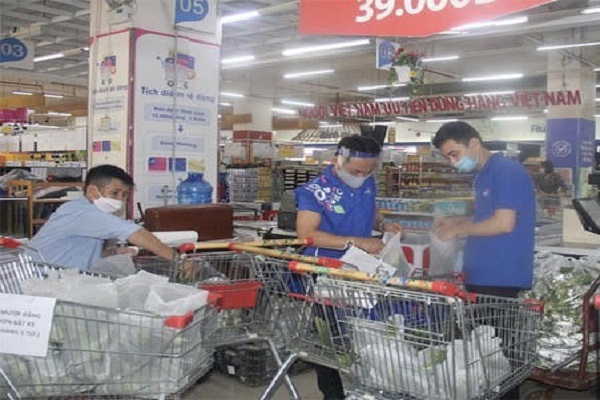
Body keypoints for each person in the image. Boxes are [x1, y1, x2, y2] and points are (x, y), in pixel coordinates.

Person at [431, 121, 535, 400]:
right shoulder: (483, 175)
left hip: (501, 278)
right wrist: (457, 221)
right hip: (480, 276)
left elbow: (503, 224)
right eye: (447, 157)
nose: (453, 162)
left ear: (474, 143)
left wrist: (459, 229)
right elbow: (485, 221)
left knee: (497, 359)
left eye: (454, 153)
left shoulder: (506, 171)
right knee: (475, 356)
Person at [295, 135, 403, 400]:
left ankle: (365, 390)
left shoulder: (367, 182)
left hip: (360, 271)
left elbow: (370, 209)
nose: (362, 176)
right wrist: (356, 241)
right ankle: (333, 395)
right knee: (329, 340)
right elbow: (306, 234)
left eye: (368, 171)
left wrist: (382, 225)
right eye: (356, 171)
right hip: (325, 274)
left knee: (363, 335)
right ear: (338, 159)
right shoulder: (314, 191)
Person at [28, 164, 175, 270]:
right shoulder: (83, 213)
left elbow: (76, 250)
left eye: (124, 195)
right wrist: (178, 260)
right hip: (40, 283)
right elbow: (135, 233)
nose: (120, 199)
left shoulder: (82, 210)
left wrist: (110, 253)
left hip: (57, 280)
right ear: (93, 191)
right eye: (115, 193)